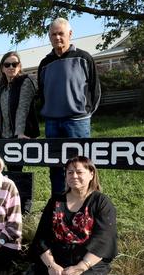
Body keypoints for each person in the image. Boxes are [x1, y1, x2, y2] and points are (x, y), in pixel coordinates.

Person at [25, 156, 117, 275]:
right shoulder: (56, 201)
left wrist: (80, 267)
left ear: (91, 174)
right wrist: (52, 266)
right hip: (56, 261)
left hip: (89, 263)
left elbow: (104, 240)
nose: (74, 176)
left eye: (79, 172)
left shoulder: (101, 203)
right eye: (70, 172)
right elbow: (42, 237)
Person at [38, 18, 101, 196]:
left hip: (77, 122)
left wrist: (86, 113)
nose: (57, 37)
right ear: (49, 37)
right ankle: (59, 203)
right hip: (52, 123)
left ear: (70, 34)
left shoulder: (84, 58)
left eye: (61, 34)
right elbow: (42, 92)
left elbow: (95, 90)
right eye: (53, 34)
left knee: (81, 166)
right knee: (56, 167)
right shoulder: (45, 63)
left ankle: (85, 202)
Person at [0, 51, 40, 171]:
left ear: (19, 67)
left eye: (14, 64)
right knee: (4, 170)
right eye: (7, 65)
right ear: (2, 68)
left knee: (16, 171)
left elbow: (23, 108)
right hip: (4, 135)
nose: (11, 67)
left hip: (21, 135)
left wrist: (19, 133)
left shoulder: (26, 81)